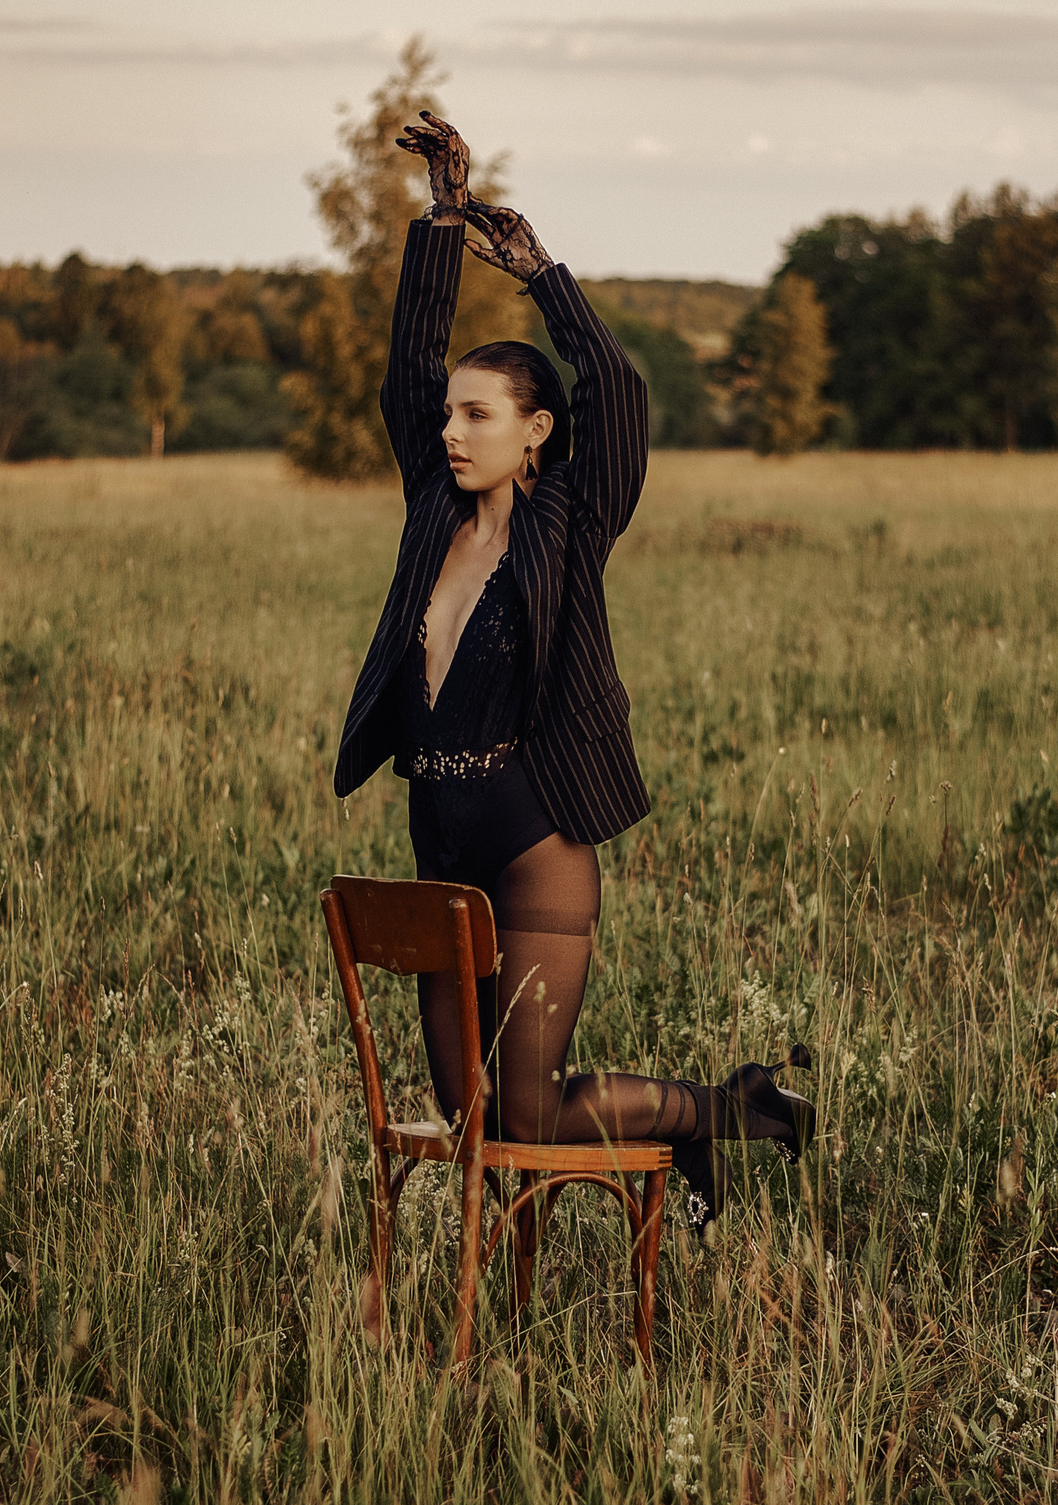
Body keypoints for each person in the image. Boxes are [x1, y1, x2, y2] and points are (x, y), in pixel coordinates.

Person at [333, 111, 814, 1258]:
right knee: (469, 1115)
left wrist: (541, 273)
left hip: (534, 838)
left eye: (477, 414)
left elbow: (611, 386)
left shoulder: (567, 522)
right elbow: (403, 377)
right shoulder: (429, 518)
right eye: (450, 414)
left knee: (533, 1110)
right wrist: (440, 222)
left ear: (534, 432)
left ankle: (722, 1113)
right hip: (440, 838)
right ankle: (705, 1116)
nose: (449, 430)